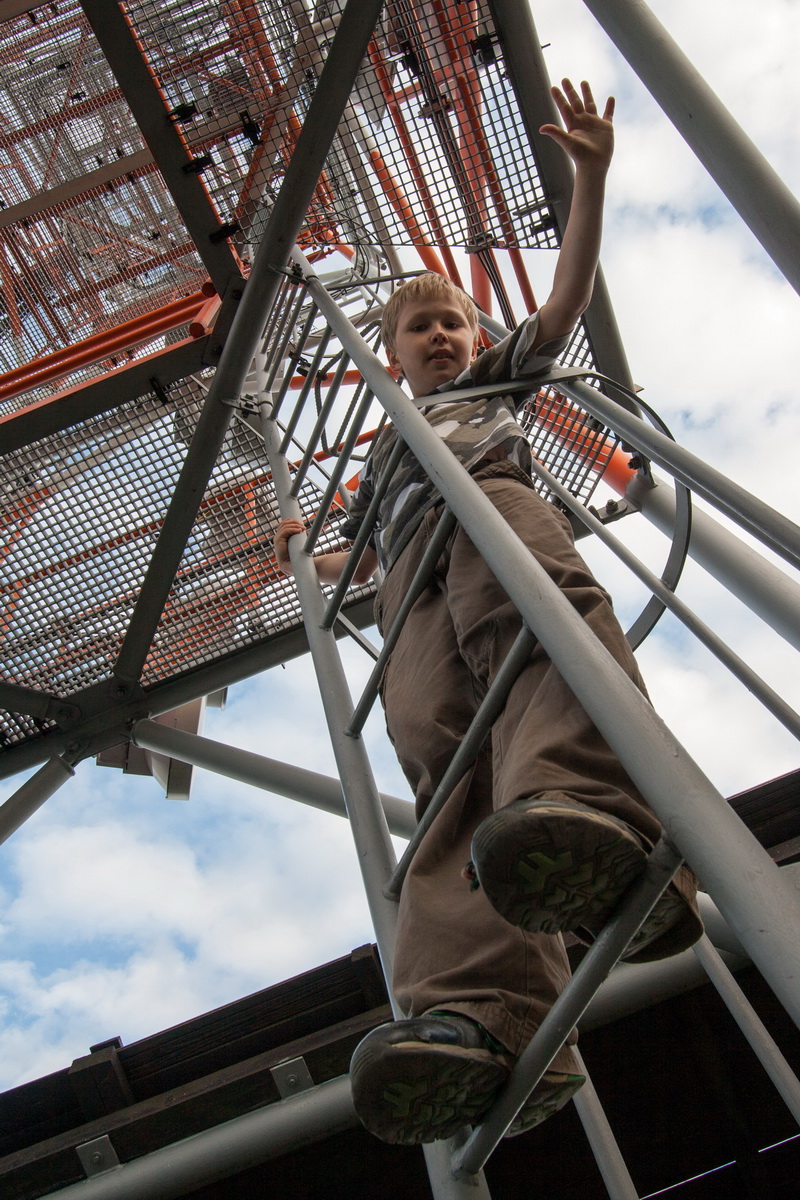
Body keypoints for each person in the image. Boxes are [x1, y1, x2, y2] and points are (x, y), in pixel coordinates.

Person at [273, 80, 702, 1146]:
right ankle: (479, 1011)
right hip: (407, 572)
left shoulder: (486, 390)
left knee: (532, 631)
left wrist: (588, 180)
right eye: (419, 326)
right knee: (433, 745)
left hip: (489, 504)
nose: (439, 335)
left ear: (474, 338)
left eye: (452, 322)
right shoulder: (387, 445)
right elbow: (355, 552)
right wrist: (303, 559)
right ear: (391, 353)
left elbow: (562, 306)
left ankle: (589, 803)